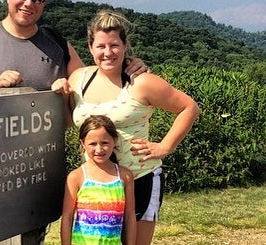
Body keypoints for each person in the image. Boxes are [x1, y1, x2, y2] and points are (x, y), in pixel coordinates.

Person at [52, 10, 200, 244]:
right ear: (90, 48)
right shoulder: (78, 79)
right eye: (101, 46)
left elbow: (189, 108)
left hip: (140, 177)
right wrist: (61, 95)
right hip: (97, 183)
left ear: (124, 46)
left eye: (114, 45)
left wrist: (165, 146)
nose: (108, 53)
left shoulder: (141, 82)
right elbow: (70, 121)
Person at [0, 0, 148, 102]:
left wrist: (126, 64)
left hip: (46, 161)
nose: (29, 3)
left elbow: (92, 84)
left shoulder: (57, 43)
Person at [60, 115, 136, 245]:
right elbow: (67, 218)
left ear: (114, 141)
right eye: (92, 144)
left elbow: (130, 216)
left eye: (105, 143)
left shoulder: (125, 176)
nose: (99, 149)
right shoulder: (76, 177)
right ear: (82, 144)